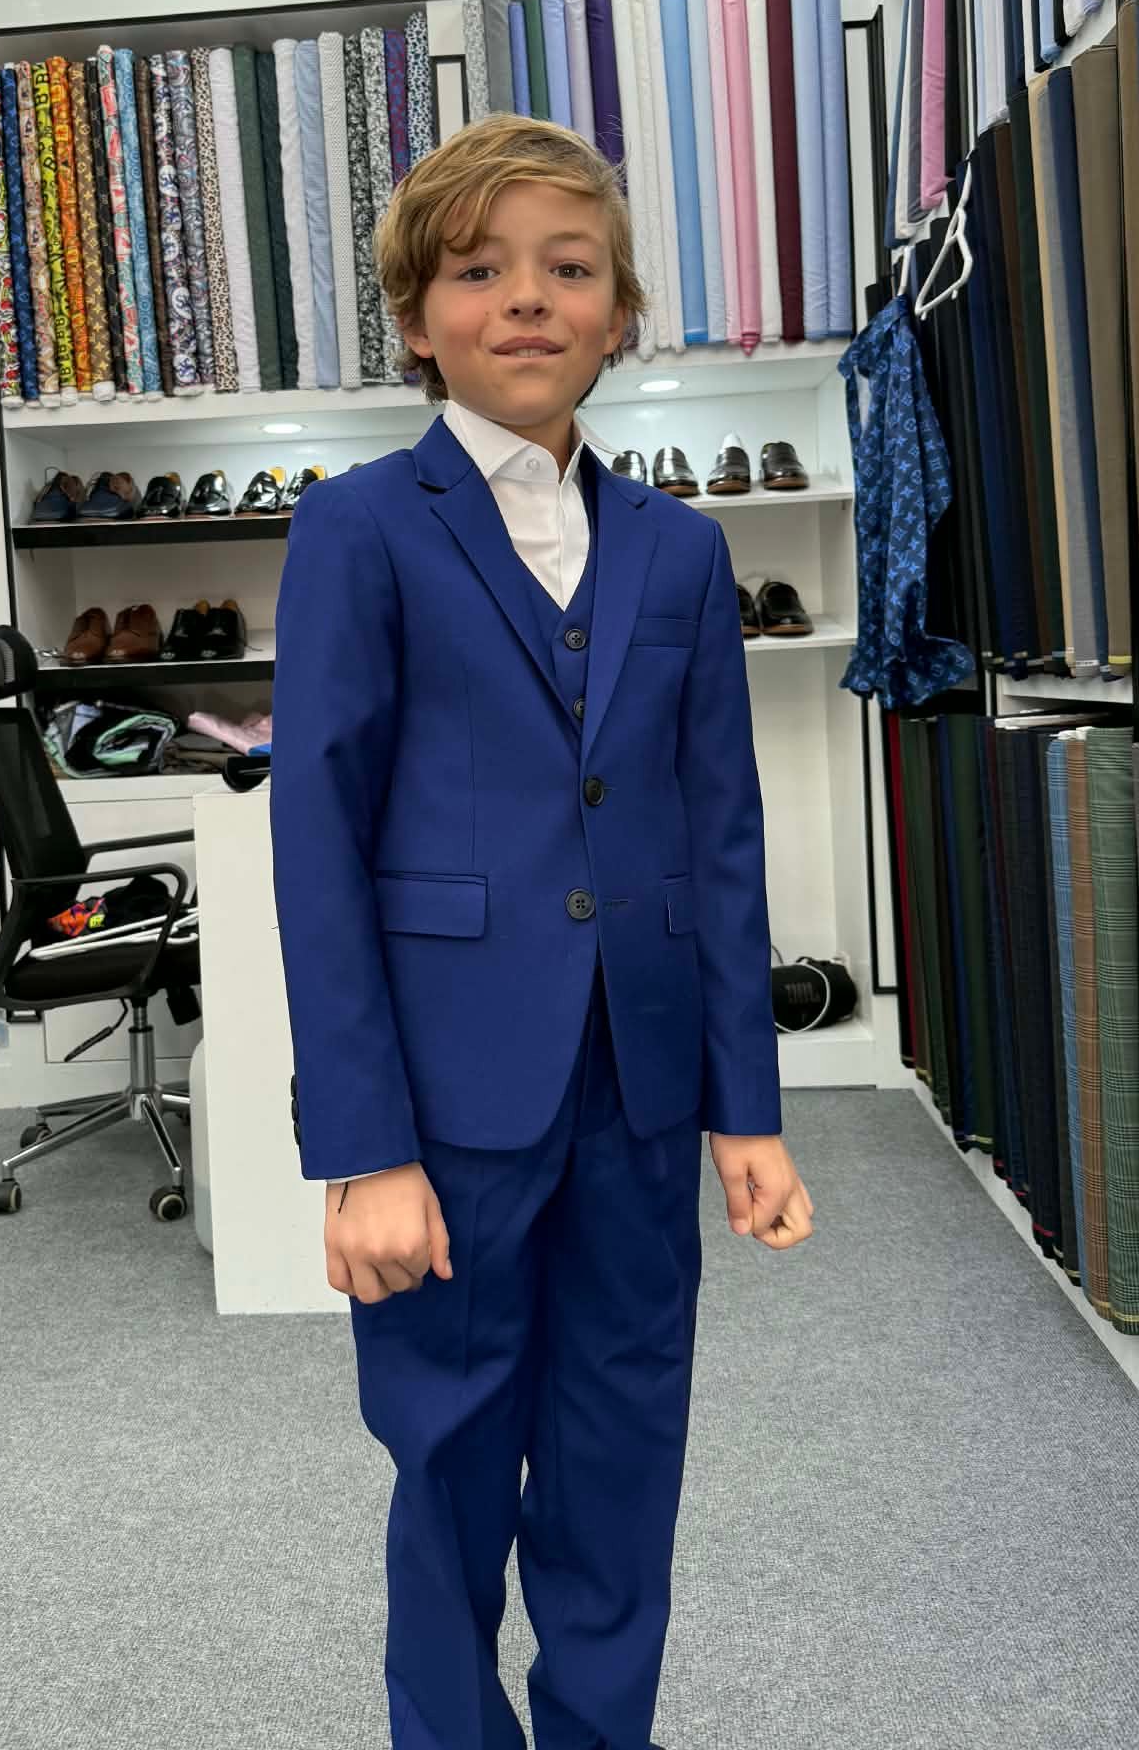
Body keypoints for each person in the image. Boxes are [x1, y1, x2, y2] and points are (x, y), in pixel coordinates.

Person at [271, 115, 814, 1750]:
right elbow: (319, 847)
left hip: (637, 1096)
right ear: (416, 316)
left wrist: (745, 1108)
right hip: (447, 1106)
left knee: (623, 1451)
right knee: (448, 1459)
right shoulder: (360, 528)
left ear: (619, 312)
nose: (526, 299)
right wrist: (362, 1149)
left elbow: (717, 840)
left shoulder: (682, 549)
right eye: (478, 270)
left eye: (569, 268)